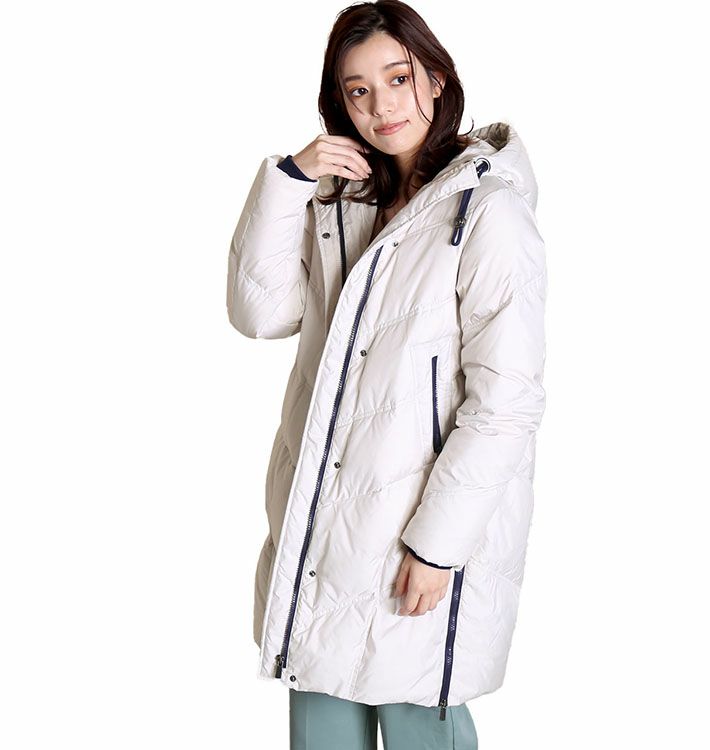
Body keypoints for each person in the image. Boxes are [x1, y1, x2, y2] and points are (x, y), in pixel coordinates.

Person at [225, 1, 548, 747]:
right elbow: (259, 313)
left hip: (416, 537)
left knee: (417, 715)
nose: (381, 105)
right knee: (322, 724)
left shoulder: (488, 212)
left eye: (398, 78)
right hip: (322, 534)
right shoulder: (340, 201)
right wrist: (289, 181)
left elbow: (505, 402)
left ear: (436, 79)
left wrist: (438, 546)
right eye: (358, 90)